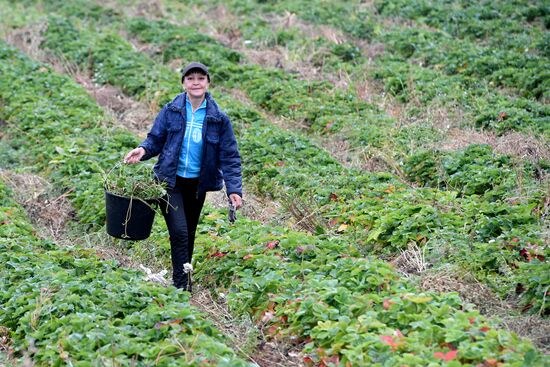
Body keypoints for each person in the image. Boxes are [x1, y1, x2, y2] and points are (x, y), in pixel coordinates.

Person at [124, 62, 242, 292]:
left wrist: (234, 189)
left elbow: (229, 156)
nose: (195, 82)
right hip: (170, 181)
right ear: (183, 83)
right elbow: (155, 139)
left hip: (198, 185)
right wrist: (143, 150)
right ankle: (181, 286)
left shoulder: (219, 119)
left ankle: (184, 277)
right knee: (178, 231)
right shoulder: (171, 110)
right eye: (190, 78)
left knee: (188, 232)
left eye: (200, 78)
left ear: (208, 83)